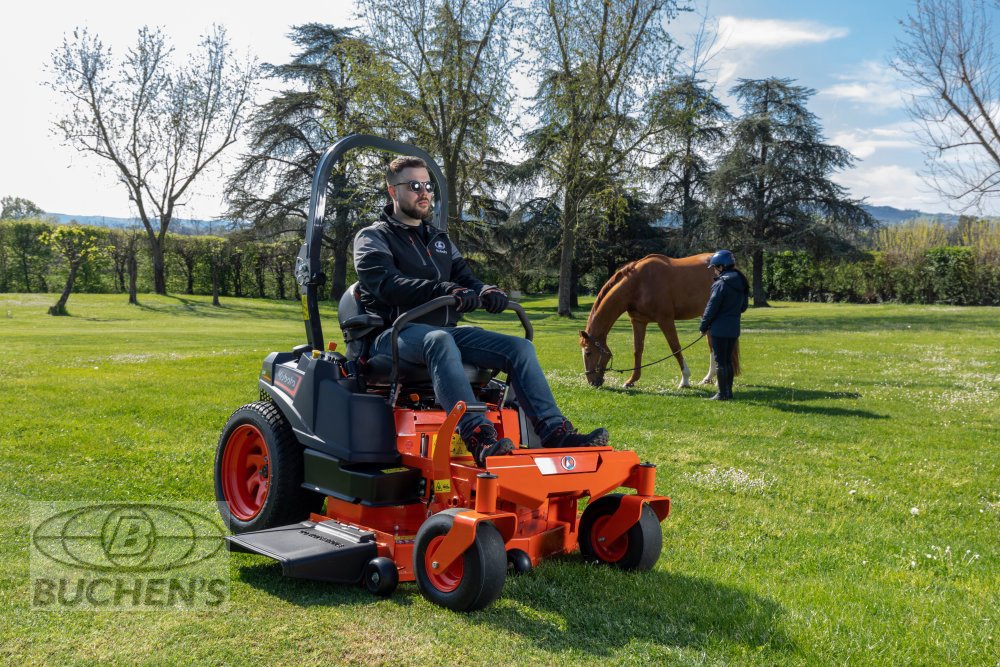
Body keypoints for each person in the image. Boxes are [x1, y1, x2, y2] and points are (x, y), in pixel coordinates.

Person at [353, 155, 608, 466]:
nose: (424, 193)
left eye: (428, 186)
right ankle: (479, 437)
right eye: (414, 185)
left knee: (519, 347)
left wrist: (485, 291)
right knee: (439, 340)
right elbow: (386, 284)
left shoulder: (439, 239)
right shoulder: (373, 237)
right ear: (393, 192)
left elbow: (464, 277)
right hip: (394, 333)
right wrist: (442, 289)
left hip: (444, 332)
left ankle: (555, 431)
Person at [699, 249, 750, 401]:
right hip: (734, 328)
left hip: (719, 329)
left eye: (715, 267)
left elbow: (711, 307)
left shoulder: (720, 284)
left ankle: (722, 393)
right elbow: (743, 307)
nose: (714, 271)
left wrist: (703, 325)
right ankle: (728, 392)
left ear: (721, 266)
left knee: (721, 361)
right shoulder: (741, 282)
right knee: (727, 361)